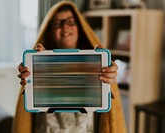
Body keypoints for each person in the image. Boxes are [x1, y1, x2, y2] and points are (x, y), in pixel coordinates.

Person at [13, 1, 126, 133]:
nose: (65, 26)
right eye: (57, 23)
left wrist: (109, 78)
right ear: (48, 32)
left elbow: (109, 110)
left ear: (80, 28)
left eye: (71, 22)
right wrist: (29, 71)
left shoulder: (97, 63)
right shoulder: (39, 64)